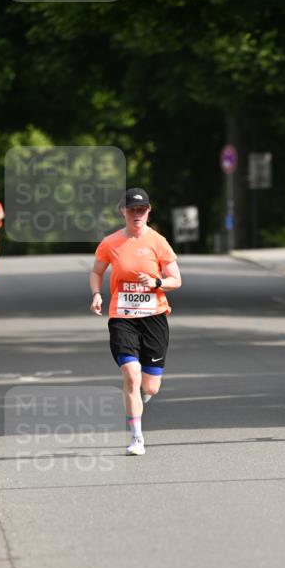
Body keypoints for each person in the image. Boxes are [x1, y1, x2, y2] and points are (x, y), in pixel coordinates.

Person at [89, 188, 181, 456]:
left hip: (154, 317)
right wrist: (96, 293)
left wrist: (157, 282)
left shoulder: (158, 242)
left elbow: (176, 279)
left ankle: (140, 397)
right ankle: (136, 436)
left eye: (142, 210)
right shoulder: (110, 243)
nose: (137, 214)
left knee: (150, 386)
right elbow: (96, 271)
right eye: (132, 210)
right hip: (122, 317)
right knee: (130, 374)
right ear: (123, 212)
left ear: (148, 211)